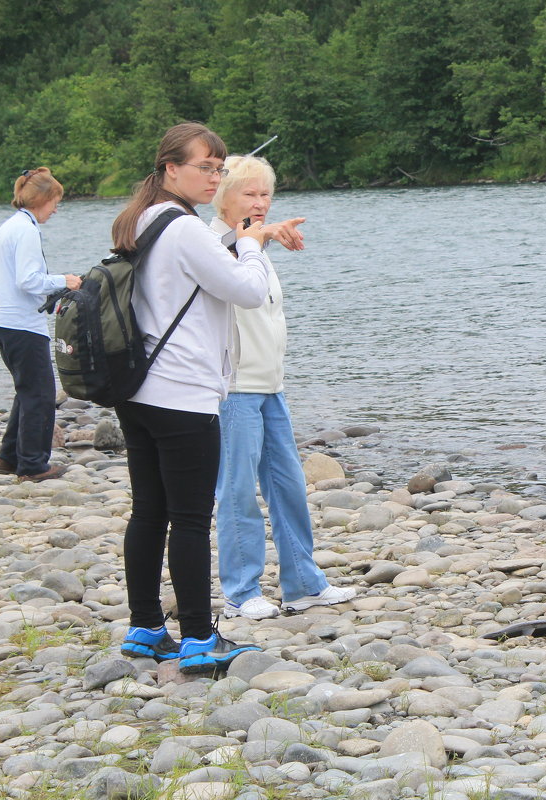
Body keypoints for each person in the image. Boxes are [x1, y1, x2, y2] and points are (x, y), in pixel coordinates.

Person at [112, 122, 305, 675]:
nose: (214, 176)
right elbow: (246, 289)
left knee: (149, 510)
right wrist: (250, 240)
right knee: (191, 517)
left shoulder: (142, 219)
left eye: (219, 168)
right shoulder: (185, 228)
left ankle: (146, 627)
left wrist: (251, 237)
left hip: (140, 389)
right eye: (205, 167)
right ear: (171, 168)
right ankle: (199, 637)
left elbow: (195, 276)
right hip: (184, 394)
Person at [210, 155, 356, 620]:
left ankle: (303, 583)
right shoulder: (211, 241)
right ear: (222, 198)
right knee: (236, 490)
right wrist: (263, 234)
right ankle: (240, 591)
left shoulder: (254, 245)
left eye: (265, 193)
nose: (259, 202)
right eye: (249, 194)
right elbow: (227, 252)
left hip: (271, 385)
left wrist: (264, 236)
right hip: (233, 390)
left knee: (288, 485)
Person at [0, 168, 82, 482]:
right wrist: (64, 281)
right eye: (55, 201)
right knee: (40, 393)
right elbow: (28, 280)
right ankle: (33, 465)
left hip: (2, 319)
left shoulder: (11, 226)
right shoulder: (26, 230)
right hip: (20, 322)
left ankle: (8, 458)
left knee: (27, 390)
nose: (56, 209)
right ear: (41, 199)